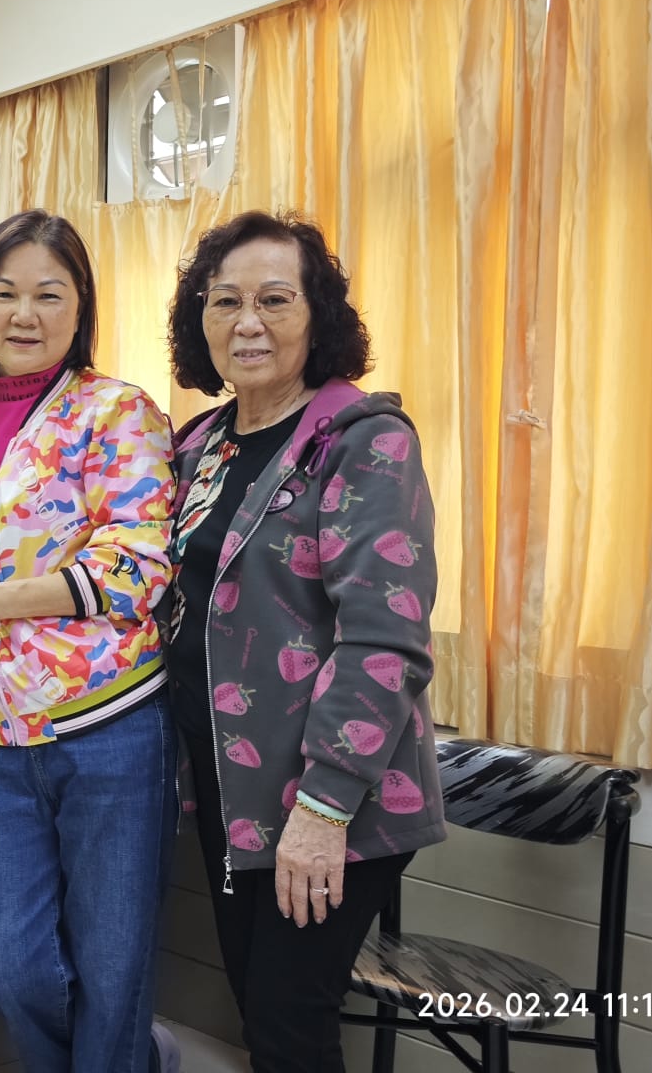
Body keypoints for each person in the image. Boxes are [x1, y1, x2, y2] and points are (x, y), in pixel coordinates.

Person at [163, 211, 443, 1073]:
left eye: (275, 300)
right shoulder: (199, 447)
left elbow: (384, 640)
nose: (247, 323)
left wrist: (323, 810)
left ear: (318, 315)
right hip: (229, 788)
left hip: (329, 798)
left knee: (290, 1026)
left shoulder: (364, 440)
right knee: (263, 1014)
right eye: (225, 302)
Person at [0, 210, 179, 1073]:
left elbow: (138, 567)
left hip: (110, 729)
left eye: (48, 295)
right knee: (9, 970)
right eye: (4, 293)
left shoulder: (120, 412)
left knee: (112, 969)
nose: (23, 314)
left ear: (81, 307)